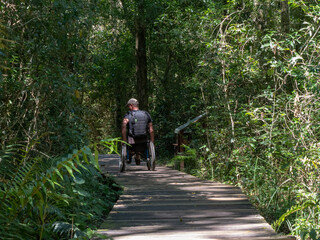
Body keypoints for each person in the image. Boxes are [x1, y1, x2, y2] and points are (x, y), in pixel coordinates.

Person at [122, 98, 154, 164]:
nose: (128, 108)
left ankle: (131, 155)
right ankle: (138, 155)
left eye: (128, 106)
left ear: (131, 105)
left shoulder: (128, 115)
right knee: (143, 144)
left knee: (129, 143)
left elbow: (124, 126)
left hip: (131, 141)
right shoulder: (146, 114)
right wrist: (152, 141)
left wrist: (124, 141)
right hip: (144, 139)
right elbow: (151, 129)